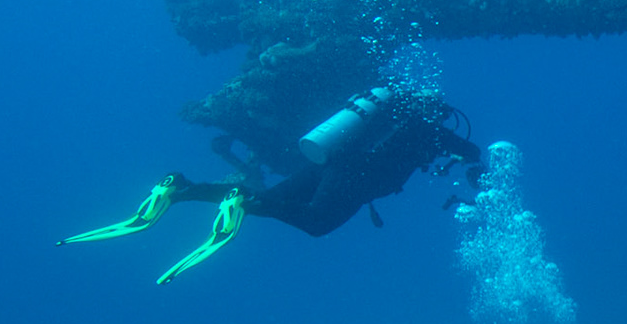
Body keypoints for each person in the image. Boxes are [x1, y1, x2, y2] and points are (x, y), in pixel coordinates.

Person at [59, 90, 480, 283]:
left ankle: (180, 188)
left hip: (326, 161)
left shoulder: (380, 116)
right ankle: (240, 196)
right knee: (318, 222)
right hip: (353, 177)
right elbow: (473, 151)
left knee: (270, 201)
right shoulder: (429, 130)